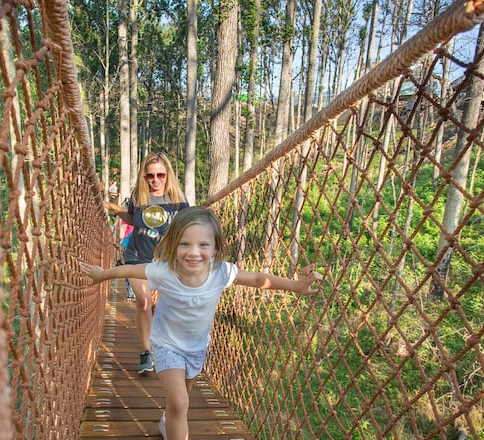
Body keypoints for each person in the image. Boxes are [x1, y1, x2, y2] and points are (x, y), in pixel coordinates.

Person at [80, 206, 322, 440]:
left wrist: (296, 286)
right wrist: (102, 274)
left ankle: (167, 423)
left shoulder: (221, 273)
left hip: (197, 347)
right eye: (185, 244)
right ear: (173, 245)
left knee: (182, 399)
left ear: (216, 248)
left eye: (203, 245)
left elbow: (259, 279)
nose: (194, 252)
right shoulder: (165, 271)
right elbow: (131, 270)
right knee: (179, 402)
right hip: (166, 345)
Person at [104, 152, 189, 374]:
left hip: (165, 261)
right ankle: (146, 352)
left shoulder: (178, 201)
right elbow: (133, 219)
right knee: (143, 302)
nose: (156, 180)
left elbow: (187, 227)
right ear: (145, 176)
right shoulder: (138, 196)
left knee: (162, 307)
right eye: (150, 176)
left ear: (168, 175)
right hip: (136, 257)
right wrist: (114, 208)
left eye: (161, 175)